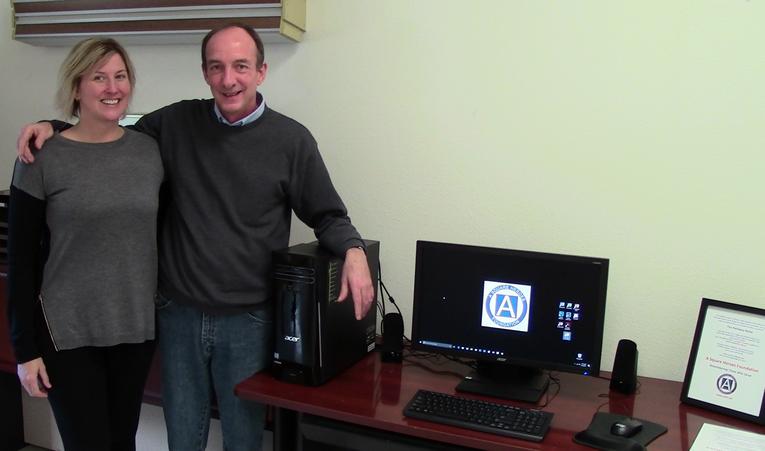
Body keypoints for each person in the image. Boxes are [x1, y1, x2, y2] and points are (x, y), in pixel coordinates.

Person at [17, 23, 375, 451]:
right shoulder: (174, 124)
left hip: (248, 321)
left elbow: (328, 214)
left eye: (241, 66)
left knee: (243, 440)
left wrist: (353, 251)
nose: (229, 79)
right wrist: (53, 126)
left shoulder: (291, 141)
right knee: (183, 439)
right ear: (205, 73)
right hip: (178, 316)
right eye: (217, 67)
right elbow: (104, 130)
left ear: (261, 71)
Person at [7, 38, 163, 451]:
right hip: (66, 332)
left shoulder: (150, 151)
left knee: (122, 443)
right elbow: (21, 261)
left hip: (134, 329)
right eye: (98, 77)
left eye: (120, 76)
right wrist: (25, 350)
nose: (112, 88)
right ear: (76, 87)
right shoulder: (41, 157)